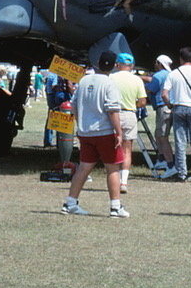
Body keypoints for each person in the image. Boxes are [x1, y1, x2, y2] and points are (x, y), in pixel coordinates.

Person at [61, 51, 129, 217]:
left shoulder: (84, 80)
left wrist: (80, 123)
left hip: (86, 131)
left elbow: (74, 104)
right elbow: (112, 110)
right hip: (104, 131)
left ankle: (70, 203)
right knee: (112, 168)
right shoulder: (109, 83)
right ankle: (115, 206)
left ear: (98, 63)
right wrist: (119, 132)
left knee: (84, 168)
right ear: (114, 66)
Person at [162, 47, 191, 182]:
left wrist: (170, 104)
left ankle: (181, 173)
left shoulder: (173, 74)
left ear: (180, 58)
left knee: (180, 142)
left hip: (178, 108)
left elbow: (164, 94)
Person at [109, 52, 147, 195]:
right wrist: (132, 105)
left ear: (117, 64)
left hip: (114, 114)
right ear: (131, 66)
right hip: (130, 113)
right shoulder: (137, 80)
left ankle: (114, 178)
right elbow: (142, 101)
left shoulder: (111, 78)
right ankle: (123, 182)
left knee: (112, 147)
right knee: (127, 149)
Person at [147, 54, 175, 174]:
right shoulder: (170, 75)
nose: (154, 64)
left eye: (156, 62)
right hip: (168, 107)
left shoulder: (158, 76)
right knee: (159, 134)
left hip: (162, 107)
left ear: (159, 63)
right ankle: (162, 158)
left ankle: (170, 164)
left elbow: (149, 89)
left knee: (162, 136)